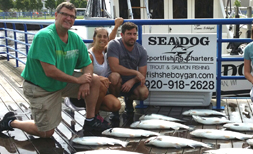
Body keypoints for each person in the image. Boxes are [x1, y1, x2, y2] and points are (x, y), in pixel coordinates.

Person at [0, 2, 109, 137]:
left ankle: (90, 120)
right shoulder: (45, 36)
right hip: (41, 88)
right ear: (56, 15)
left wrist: (85, 81)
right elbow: (50, 71)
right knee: (46, 132)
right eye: (65, 14)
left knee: (94, 80)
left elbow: (87, 63)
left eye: (72, 16)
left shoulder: (75, 38)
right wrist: (77, 79)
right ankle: (11, 122)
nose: (69, 18)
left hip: (62, 83)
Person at [65, 18, 124, 121]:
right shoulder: (89, 55)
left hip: (103, 91)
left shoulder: (104, 51)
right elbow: (87, 75)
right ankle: (94, 116)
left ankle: (95, 108)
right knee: (99, 83)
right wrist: (101, 78)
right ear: (94, 38)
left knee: (116, 105)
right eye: (99, 36)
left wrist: (116, 26)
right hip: (89, 91)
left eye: (104, 36)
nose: (102, 39)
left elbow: (110, 40)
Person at [107, 22, 149, 120]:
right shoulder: (114, 44)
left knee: (144, 93)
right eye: (129, 34)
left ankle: (129, 103)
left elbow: (142, 74)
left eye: (134, 34)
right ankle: (115, 109)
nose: (132, 37)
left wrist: (132, 81)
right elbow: (114, 68)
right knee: (115, 76)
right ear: (122, 35)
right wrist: (135, 72)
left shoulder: (141, 50)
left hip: (131, 82)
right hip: (115, 82)